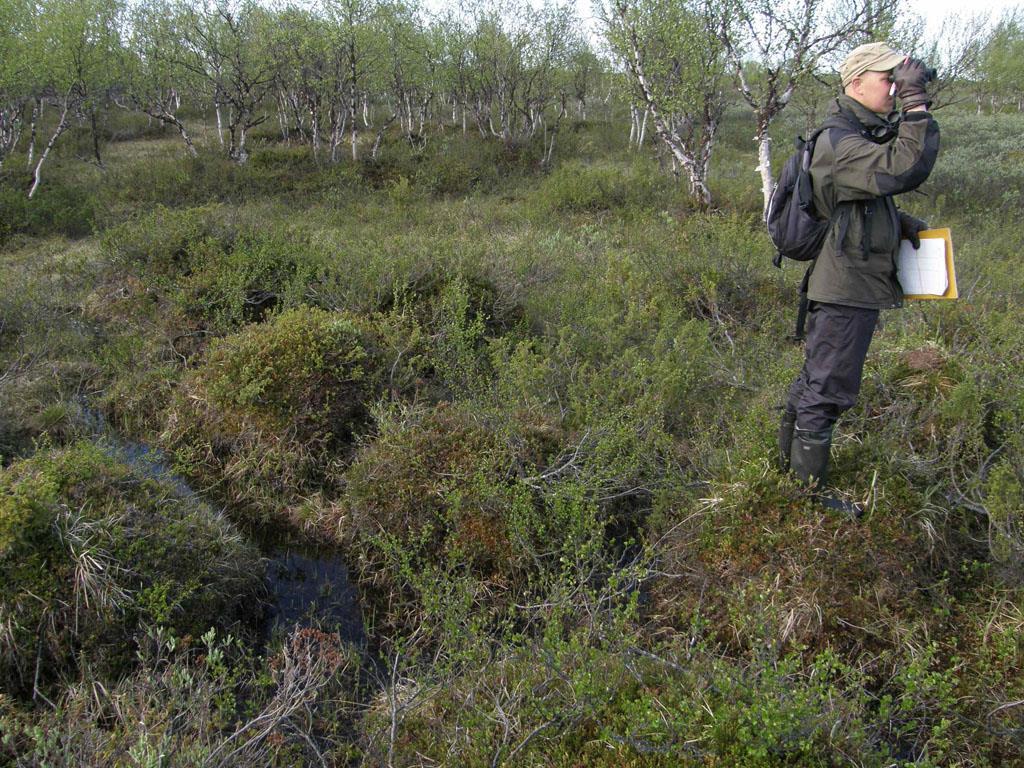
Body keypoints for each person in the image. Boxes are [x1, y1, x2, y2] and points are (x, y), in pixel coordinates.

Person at [778, 42, 940, 514]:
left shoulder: (852, 134)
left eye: (899, 79)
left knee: (816, 379)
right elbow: (902, 167)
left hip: (846, 279)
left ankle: (786, 477)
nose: (894, 88)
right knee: (827, 388)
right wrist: (916, 106)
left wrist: (896, 221)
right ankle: (807, 499)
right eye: (887, 79)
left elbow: (858, 197)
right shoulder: (841, 139)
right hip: (845, 286)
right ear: (855, 83)